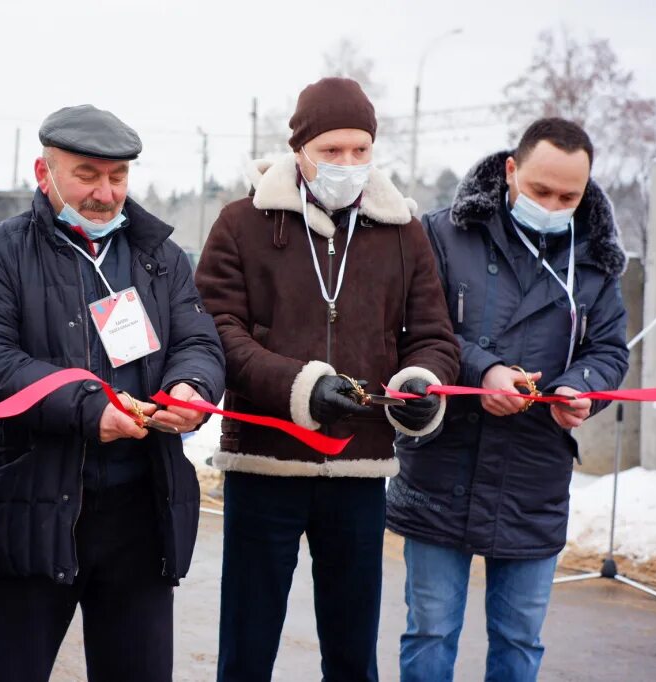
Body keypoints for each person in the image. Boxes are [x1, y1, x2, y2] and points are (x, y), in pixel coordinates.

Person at [195, 77, 461, 682]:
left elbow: (431, 335)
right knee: (247, 645)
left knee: (351, 651)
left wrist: (422, 382)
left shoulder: (403, 232)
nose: (347, 164)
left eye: (360, 150)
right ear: (300, 150)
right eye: (332, 151)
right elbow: (218, 330)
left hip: (359, 468)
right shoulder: (243, 223)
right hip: (266, 463)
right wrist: (300, 386)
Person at [0, 104, 225, 682]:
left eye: (118, 176)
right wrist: (87, 409)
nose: (106, 192)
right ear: (43, 171)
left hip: (140, 513)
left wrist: (188, 388)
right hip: (33, 504)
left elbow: (199, 340)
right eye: (87, 174)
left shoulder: (161, 257)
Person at [387, 118, 629, 682]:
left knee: (520, 640)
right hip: (444, 464)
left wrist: (581, 390)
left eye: (569, 196)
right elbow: (416, 326)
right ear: (511, 170)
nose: (553, 204)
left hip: (533, 475)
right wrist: (485, 370)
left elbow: (611, 349)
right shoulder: (442, 234)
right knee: (430, 629)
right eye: (541, 191)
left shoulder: (596, 259)